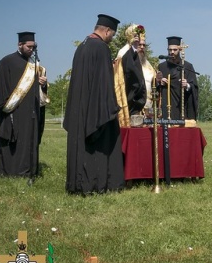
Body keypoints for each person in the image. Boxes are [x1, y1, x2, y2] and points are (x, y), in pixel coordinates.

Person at [63, 14, 125, 194]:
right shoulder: (101, 48)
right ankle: (97, 183)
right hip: (96, 109)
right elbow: (104, 83)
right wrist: (111, 107)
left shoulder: (82, 47)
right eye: (112, 35)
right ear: (107, 31)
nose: (111, 39)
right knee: (107, 139)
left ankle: (77, 184)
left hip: (80, 108)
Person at [0, 32, 47, 179]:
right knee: (10, 143)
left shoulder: (35, 67)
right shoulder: (6, 62)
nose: (31, 50)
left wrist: (43, 85)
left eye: (33, 47)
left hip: (30, 113)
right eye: (29, 47)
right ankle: (6, 171)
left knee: (28, 142)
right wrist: (3, 105)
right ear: (20, 45)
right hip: (12, 111)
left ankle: (27, 171)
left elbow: (40, 94)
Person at [114, 24, 154, 127]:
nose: (141, 47)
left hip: (147, 108)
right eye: (139, 44)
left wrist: (158, 81)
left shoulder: (147, 64)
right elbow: (128, 78)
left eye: (143, 45)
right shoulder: (124, 54)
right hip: (132, 104)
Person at [156, 36, 199, 121]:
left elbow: (194, 86)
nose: (172, 52)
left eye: (175, 50)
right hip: (166, 107)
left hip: (182, 107)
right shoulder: (162, 66)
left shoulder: (187, 66)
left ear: (179, 50)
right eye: (170, 50)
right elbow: (156, 88)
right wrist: (159, 82)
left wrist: (187, 85)